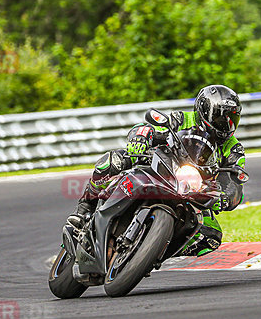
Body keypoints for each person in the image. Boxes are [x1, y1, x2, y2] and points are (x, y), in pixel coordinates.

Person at [66, 84, 248, 256]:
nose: (226, 123)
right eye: (220, 117)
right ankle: (83, 210)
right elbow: (147, 127)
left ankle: (155, 251)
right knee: (113, 161)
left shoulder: (234, 149)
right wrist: (140, 138)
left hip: (195, 191)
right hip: (163, 166)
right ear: (205, 110)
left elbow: (234, 181)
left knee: (211, 236)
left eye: (232, 118)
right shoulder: (182, 119)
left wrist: (226, 197)